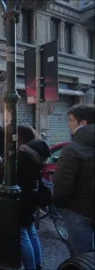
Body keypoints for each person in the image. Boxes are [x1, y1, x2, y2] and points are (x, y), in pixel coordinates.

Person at [53, 104, 95, 257]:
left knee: (81, 257)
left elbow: (62, 184)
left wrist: (59, 204)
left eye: (71, 120)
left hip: (78, 211)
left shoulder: (72, 149)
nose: (68, 124)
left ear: (82, 123)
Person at [17, 125, 50, 270]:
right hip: (33, 191)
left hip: (23, 194)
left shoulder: (23, 154)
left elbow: (17, 174)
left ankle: (30, 267)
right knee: (30, 229)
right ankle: (38, 264)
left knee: (22, 232)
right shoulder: (38, 150)